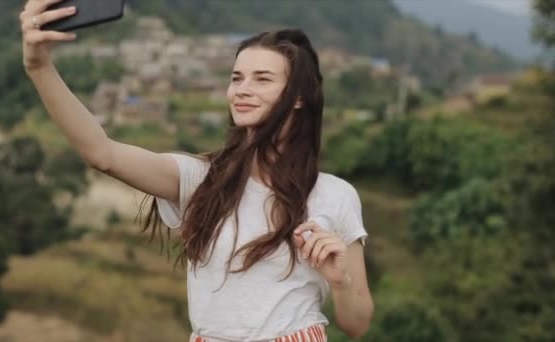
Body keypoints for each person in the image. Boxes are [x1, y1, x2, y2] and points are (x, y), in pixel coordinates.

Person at [19, 1, 374, 341]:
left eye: (262, 79)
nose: (242, 90)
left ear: (299, 97)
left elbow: (357, 324)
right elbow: (103, 153)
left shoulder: (335, 195)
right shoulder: (201, 178)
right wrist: (39, 67)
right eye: (237, 78)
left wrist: (339, 281)